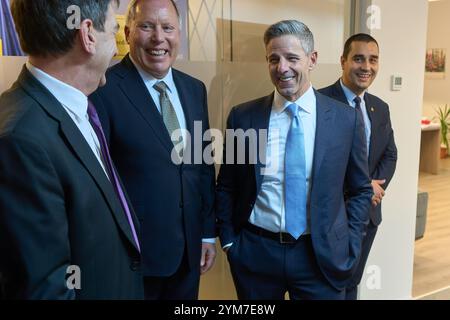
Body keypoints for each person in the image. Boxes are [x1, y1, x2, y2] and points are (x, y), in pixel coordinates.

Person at [215, 20, 373, 300]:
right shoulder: (244, 117)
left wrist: (350, 244)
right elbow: (227, 185)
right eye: (273, 59)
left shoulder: (345, 119)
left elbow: (360, 189)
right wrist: (229, 242)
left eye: (291, 58)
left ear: (312, 60)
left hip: (321, 257)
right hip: (256, 255)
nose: (282, 68)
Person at [0, 0, 143, 299]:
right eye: (114, 31)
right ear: (88, 34)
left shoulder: (74, 108)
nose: (118, 50)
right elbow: (45, 290)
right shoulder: (21, 139)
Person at [89, 0, 216, 300]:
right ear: (129, 32)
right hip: (136, 258)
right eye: (147, 26)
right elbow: (99, 183)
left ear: (179, 35)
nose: (159, 38)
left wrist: (207, 232)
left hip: (188, 255)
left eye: (168, 27)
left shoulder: (194, 89)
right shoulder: (102, 90)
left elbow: (202, 166)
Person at [319, 33, 397, 300]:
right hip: (333, 218)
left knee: (352, 282)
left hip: (368, 215)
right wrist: (365, 186)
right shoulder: (320, 103)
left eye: (373, 60)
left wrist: (373, 188)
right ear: (343, 61)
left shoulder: (380, 108)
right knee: (327, 286)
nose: (366, 67)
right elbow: (318, 163)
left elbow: (389, 154)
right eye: (358, 59)